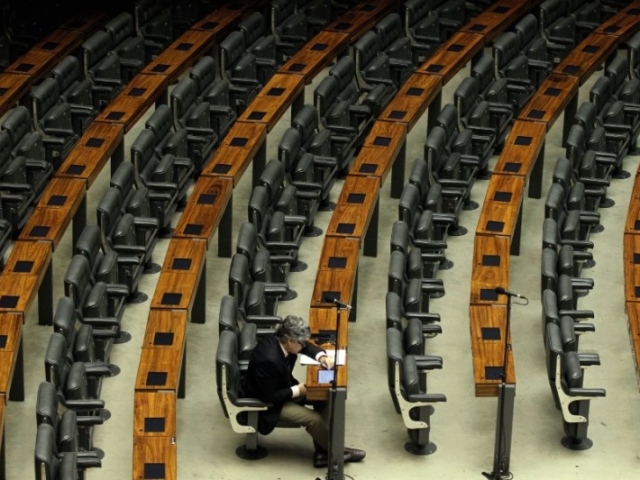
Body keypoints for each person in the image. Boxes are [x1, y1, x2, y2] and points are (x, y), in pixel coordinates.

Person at [241, 314, 366, 468]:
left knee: (325, 396)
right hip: (269, 404)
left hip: (281, 389)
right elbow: (269, 396)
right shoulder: (269, 359)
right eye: (301, 342)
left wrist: (321, 357)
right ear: (290, 341)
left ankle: (322, 452)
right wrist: (298, 390)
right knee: (314, 420)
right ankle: (337, 452)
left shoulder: (284, 342)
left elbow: (307, 347)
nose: (304, 345)